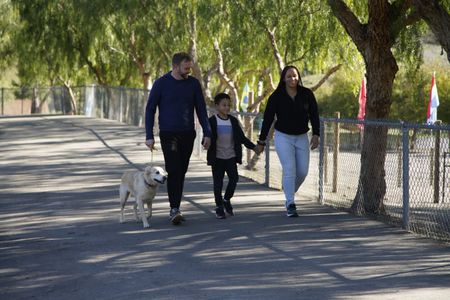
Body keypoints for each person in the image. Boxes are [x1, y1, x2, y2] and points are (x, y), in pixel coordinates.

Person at [145, 52, 211, 225]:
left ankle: (175, 205)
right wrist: (149, 136)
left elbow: (201, 110)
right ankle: (174, 209)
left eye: (190, 67)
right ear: (175, 67)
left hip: (188, 134)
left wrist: (208, 132)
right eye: (186, 68)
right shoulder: (161, 84)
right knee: (173, 170)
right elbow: (150, 109)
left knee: (181, 171)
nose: (189, 71)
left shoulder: (193, 84)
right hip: (168, 134)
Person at [256, 65, 320, 217]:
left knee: (303, 171)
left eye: (295, 76)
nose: (293, 79)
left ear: (299, 77)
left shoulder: (307, 94)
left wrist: (316, 134)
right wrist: (261, 141)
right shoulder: (276, 96)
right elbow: (268, 119)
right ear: (283, 79)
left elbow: (314, 115)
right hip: (283, 136)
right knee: (290, 168)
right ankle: (290, 202)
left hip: (302, 137)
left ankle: (288, 189)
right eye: (289, 76)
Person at [207, 93, 259, 219]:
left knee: (234, 179)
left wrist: (253, 147)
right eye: (223, 105)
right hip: (217, 158)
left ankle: (226, 199)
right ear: (217, 106)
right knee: (218, 183)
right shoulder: (212, 121)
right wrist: (205, 141)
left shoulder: (233, 121)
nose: (226, 107)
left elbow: (241, 138)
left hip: (230, 157)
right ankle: (219, 207)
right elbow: (207, 136)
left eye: (228, 105)